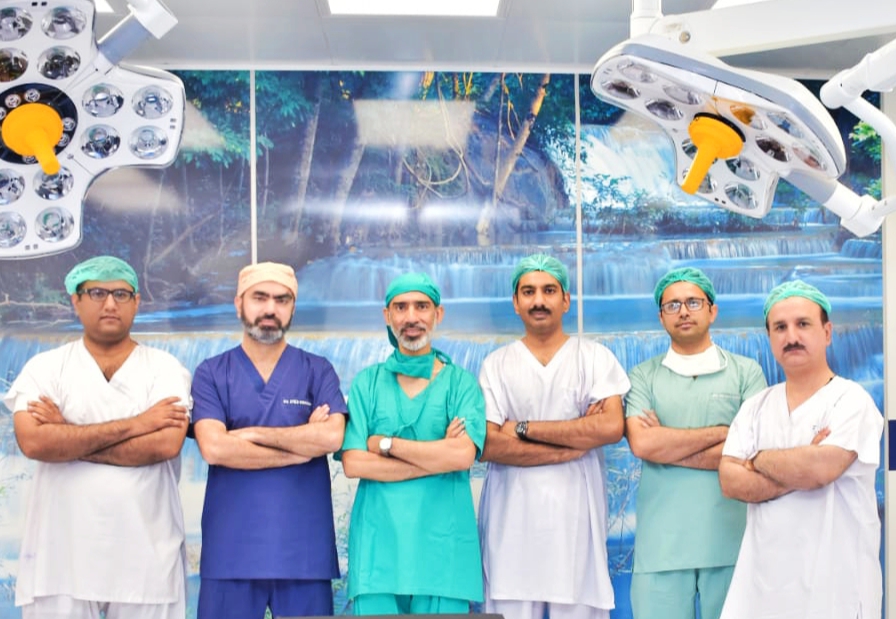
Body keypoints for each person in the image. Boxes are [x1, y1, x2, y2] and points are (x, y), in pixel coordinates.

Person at [4, 255, 192, 619]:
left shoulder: (165, 369)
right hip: (60, 557)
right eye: (97, 293)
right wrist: (138, 423)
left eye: (121, 294)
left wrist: (66, 433)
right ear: (75, 301)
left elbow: (164, 445)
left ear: (137, 302)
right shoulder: (45, 368)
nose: (110, 304)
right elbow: (35, 443)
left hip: (147, 556)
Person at [191, 262, 348, 619]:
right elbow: (215, 448)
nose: (270, 308)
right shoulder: (212, 373)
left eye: (282, 300)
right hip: (230, 553)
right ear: (239, 304)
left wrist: (251, 434)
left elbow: (331, 436)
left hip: (303, 553)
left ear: (292, 307)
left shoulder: (317, 370)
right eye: (259, 298)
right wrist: (299, 449)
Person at [718, 280, 883, 619]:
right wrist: (800, 464)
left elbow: (820, 469)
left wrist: (757, 460)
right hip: (761, 591)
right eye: (780, 327)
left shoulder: (852, 401)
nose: (791, 336)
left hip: (836, 591)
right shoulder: (755, 407)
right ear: (769, 337)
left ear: (827, 332)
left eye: (803, 324)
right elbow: (730, 482)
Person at [478, 253, 630, 619]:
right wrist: (572, 445)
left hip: (577, 530)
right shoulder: (496, 365)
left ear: (566, 300)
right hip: (510, 530)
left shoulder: (594, 358)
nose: (539, 301)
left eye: (549, 290)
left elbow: (610, 427)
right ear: (515, 303)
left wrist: (522, 428)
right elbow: (488, 444)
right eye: (528, 292)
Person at [338, 272, 486, 615]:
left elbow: (462, 456)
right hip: (378, 552)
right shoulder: (367, 384)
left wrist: (387, 444)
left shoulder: (461, 385)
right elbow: (354, 464)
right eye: (401, 307)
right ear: (387, 315)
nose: (411, 317)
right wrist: (437, 456)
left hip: (442, 553)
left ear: (438, 314)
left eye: (422, 306)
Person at [624, 267, 767, 619]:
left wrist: (667, 446)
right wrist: (723, 432)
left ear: (712, 311)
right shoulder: (643, 376)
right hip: (662, 547)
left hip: (731, 542)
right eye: (672, 305)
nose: (683, 312)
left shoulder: (746, 372)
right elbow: (643, 444)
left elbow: (753, 451)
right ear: (661, 317)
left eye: (693, 302)